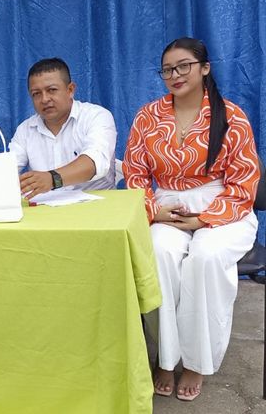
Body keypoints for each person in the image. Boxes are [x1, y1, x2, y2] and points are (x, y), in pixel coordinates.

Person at [123, 37, 259, 402]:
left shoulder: (231, 116)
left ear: (205, 68)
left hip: (223, 206)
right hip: (166, 205)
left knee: (205, 258)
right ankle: (167, 358)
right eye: (167, 69)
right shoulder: (148, 117)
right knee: (159, 254)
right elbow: (135, 174)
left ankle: (198, 361)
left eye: (184, 66)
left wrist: (204, 219)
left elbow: (244, 182)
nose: (175, 75)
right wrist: (153, 210)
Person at [9, 57, 116, 199]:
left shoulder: (96, 116)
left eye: (52, 90)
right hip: (45, 207)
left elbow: (94, 163)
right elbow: (8, 171)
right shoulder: (25, 130)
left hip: (97, 205)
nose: (44, 99)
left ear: (70, 90)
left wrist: (52, 179)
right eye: (36, 94)